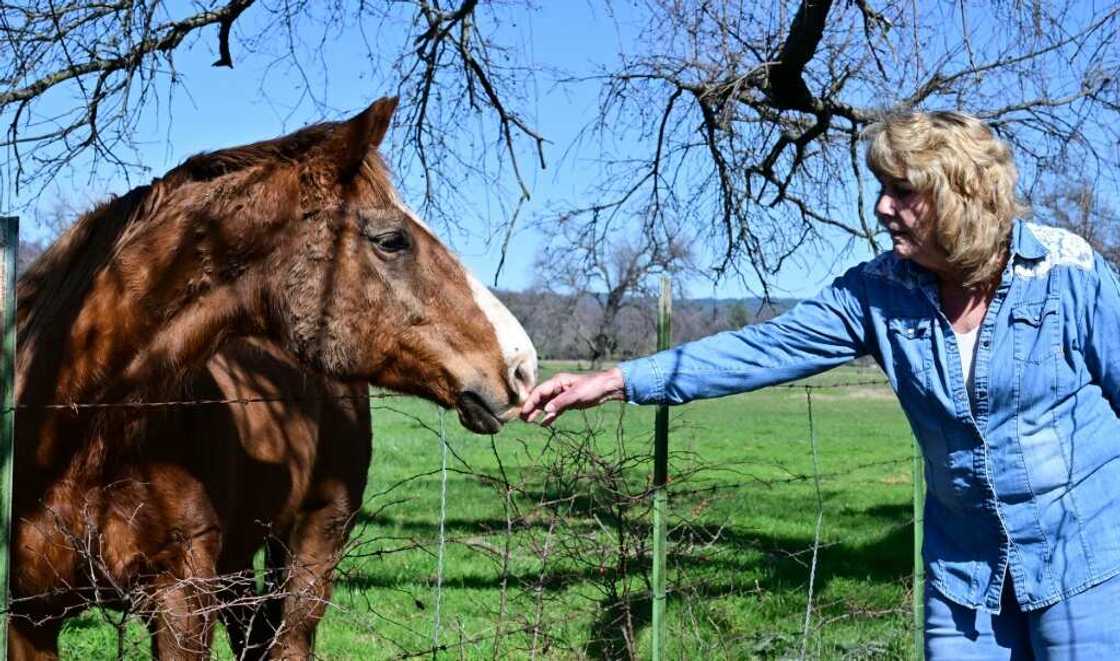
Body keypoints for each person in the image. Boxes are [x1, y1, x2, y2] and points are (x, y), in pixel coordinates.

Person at [521, 111, 1120, 659]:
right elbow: (760, 349)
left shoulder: (1067, 273)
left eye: (902, 191)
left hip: (1086, 564)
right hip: (965, 577)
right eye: (881, 188)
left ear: (959, 196)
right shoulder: (878, 292)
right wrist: (619, 379)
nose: (882, 208)